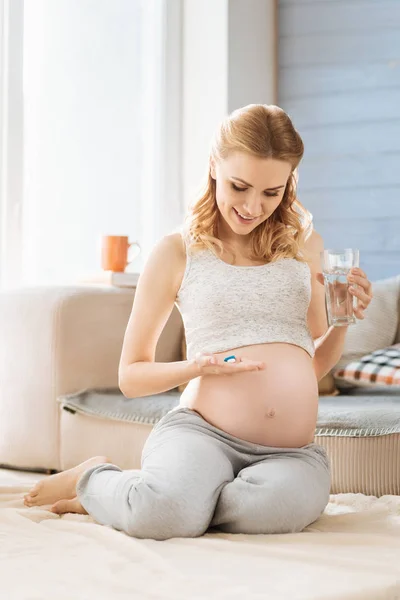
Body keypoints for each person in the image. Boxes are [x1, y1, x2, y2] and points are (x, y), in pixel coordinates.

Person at [24, 104, 373, 539]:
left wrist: (343, 322)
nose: (252, 206)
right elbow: (131, 377)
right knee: (164, 517)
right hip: (202, 434)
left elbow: (314, 363)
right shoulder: (177, 252)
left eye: (272, 192)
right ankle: (95, 478)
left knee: (271, 511)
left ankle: (169, 496)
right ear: (213, 165)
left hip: (288, 454)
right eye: (239, 186)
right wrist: (197, 367)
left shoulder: (305, 247)